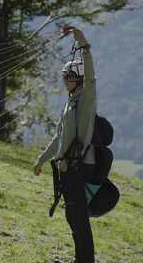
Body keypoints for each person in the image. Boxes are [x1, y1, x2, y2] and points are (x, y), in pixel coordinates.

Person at [34, 26, 97, 263]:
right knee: (73, 215)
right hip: (68, 168)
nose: (64, 80)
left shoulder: (86, 99)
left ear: (77, 79)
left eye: (68, 77)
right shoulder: (69, 103)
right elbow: (58, 138)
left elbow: (91, 78)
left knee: (78, 216)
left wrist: (84, 45)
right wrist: (41, 160)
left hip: (80, 168)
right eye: (64, 77)